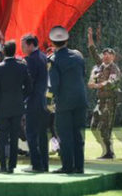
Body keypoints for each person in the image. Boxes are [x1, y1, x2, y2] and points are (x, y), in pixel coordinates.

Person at [47, 26, 87, 174]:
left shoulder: (52, 60)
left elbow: (53, 85)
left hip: (64, 101)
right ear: (66, 40)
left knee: (65, 135)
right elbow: (82, 74)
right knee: (78, 134)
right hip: (80, 99)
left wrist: (48, 102)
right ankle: (79, 166)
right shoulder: (78, 56)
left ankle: (68, 166)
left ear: (51, 42)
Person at [0, 41, 31, 174]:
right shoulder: (22, 67)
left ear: (4, 52)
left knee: (2, 137)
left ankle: (2, 165)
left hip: (2, 107)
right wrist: (20, 98)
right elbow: (29, 88)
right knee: (14, 137)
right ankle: (12, 165)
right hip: (17, 107)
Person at [20, 34, 49, 173]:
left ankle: (36, 165)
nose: (22, 49)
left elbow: (29, 83)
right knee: (42, 134)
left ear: (31, 45)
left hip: (33, 101)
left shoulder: (31, 60)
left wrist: (21, 97)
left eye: (23, 46)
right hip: (43, 101)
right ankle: (44, 164)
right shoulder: (44, 56)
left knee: (31, 133)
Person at [88, 45, 121, 159]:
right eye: (104, 54)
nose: (106, 55)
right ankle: (106, 148)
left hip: (110, 101)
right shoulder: (99, 67)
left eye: (109, 54)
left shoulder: (114, 68)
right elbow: (93, 53)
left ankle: (109, 152)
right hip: (100, 101)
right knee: (93, 126)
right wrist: (91, 41)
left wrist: (97, 85)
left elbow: (111, 82)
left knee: (105, 127)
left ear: (113, 57)